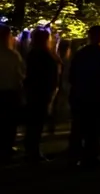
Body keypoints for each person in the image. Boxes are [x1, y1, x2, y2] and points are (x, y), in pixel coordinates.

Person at [69, 25, 100, 165]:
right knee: (94, 127)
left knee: (83, 125)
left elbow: (72, 75)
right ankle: (91, 154)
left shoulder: (81, 53)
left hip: (83, 94)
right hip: (98, 95)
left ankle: (82, 154)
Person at [22, 28, 60, 162]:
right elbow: (48, 75)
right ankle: (33, 151)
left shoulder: (34, 53)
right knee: (36, 122)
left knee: (34, 122)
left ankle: (31, 149)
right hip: (41, 92)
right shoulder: (43, 54)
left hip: (36, 91)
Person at [0, 26, 27, 162]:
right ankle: (7, 148)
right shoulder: (13, 55)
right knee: (9, 123)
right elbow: (20, 75)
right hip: (10, 93)